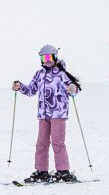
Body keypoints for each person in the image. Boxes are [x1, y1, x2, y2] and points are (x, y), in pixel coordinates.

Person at [12, 45, 80, 183]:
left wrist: (72, 88)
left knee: (57, 142)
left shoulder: (62, 74)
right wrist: (20, 87)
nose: (47, 60)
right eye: (44, 57)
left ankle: (63, 171)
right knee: (41, 143)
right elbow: (31, 90)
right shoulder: (39, 74)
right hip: (43, 114)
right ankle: (42, 171)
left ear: (55, 57)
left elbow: (74, 89)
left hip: (58, 113)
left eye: (49, 57)